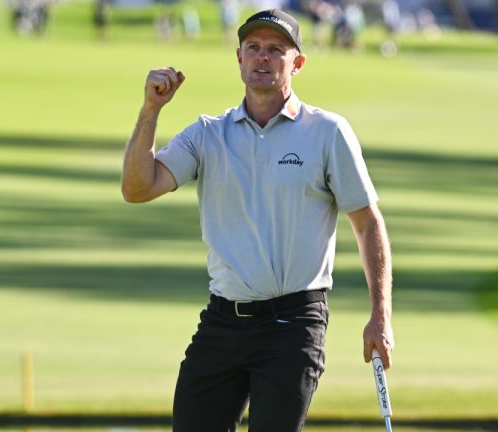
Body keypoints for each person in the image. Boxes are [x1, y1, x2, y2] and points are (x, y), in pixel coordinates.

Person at [122, 9, 394, 432]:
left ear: (297, 63)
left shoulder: (327, 132)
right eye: (253, 48)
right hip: (222, 321)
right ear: (239, 57)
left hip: (294, 322)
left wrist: (380, 315)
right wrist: (150, 110)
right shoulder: (208, 134)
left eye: (275, 50)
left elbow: (367, 223)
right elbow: (137, 189)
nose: (262, 58)